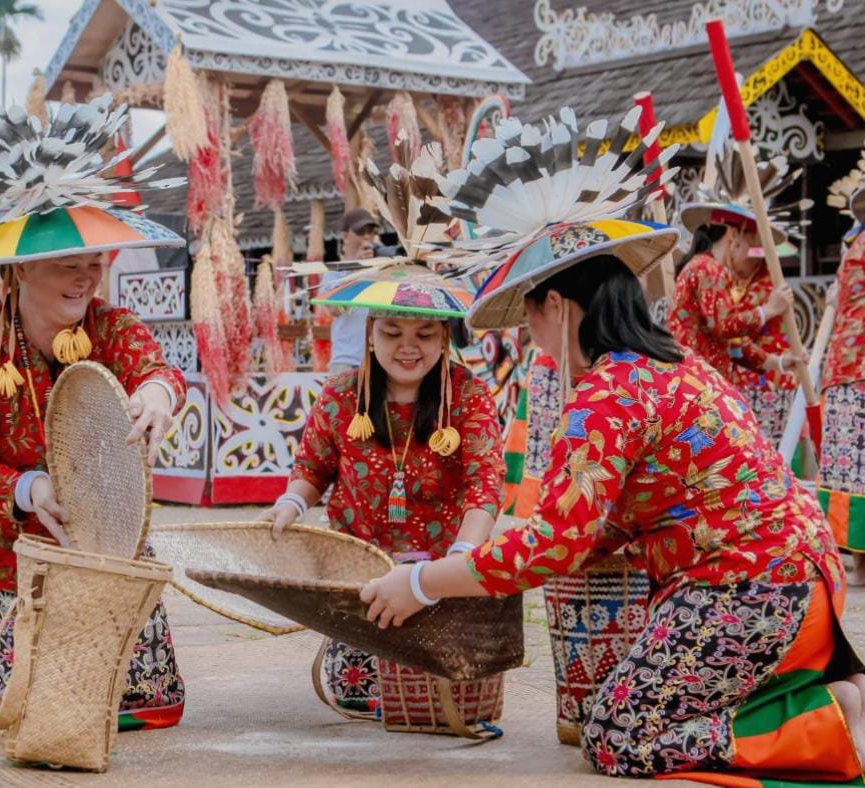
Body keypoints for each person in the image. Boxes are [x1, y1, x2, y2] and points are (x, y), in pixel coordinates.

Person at [366, 109, 863, 783]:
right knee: (629, 720)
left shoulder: (607, 395)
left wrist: (422, 581)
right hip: (793, 579)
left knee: (618, 738)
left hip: (747, 590)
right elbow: (595, 526)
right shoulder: (674, 366)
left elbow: (553, 546)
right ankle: (814, 701)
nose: (532, 336)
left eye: (530, 314)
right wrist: (482, 559)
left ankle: (822, 723)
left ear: (557, 307)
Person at [0, 95, 190, 733]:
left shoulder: (112, 327)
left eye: (94, 263)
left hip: (107, 545)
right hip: (7, 557)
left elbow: (158, 369)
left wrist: (156, 395)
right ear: (19, 270)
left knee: (150, 708)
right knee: (40, 714)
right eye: (68, 264)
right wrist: (31, 489)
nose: (86, 276)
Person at [262, 262, 503, 713]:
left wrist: (459, 560)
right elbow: (313, 468)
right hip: (360, 580)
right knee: (358, 695)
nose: (408, 347)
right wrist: (291, 504)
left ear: (445, 338)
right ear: (371, 333)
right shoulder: (340, 394)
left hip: (434, 583)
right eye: (392, 332)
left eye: (425, 334)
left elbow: (484, 484)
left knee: (431, 698)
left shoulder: (468, 394)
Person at [669, 216, 795, 381]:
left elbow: (732, 340)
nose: (751, 253)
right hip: (701, 377)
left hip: (697, 374)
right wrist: (768, 310)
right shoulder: (709, 267)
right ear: (734, 235)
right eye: (751, 244)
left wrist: (778, 362)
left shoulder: (704, 265)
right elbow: (724, 326)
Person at [820, 185, 865, 587]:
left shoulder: (854, 245)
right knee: (853, 468)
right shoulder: (856, 244)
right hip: (854, 366)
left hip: (847, 366)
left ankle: (858, 566)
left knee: (850, 468)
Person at [722, 244, 798, 442]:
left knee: (760, 448)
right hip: (771, 376)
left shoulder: (763, 286)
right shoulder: (754, 283)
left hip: (762, 382)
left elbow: (736, 329)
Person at [320, 209, 379, 376]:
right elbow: (335, 309)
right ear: (345, 236)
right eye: (360, 232)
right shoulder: (334, 272)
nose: (367, 237)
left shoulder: (381, 271)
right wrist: (357, 270)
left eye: (371, 232)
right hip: (347, 361)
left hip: (379, 361)